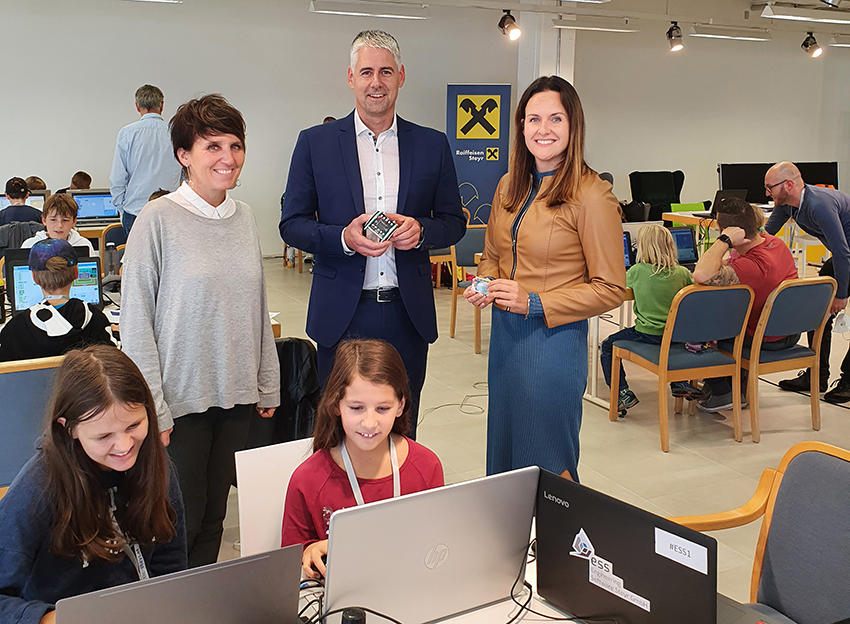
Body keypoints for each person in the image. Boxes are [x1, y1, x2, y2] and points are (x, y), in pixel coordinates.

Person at [280, 30, 466, 439]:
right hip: (342, 314)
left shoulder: (432, 145)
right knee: (340, 430)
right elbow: (291, 223)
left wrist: (421, 231)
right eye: (366, 72)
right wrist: (343, 238)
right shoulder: (316, 144)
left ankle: (397, 503)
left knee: (401, 429)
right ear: (350, 77)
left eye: (385, 71)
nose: (376, 82)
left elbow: (454, 221)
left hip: (407, 314)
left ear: (401, 76)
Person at [121, 93, 280, 568]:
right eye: (212, 146)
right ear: (184, 155)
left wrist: (267, 380)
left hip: (236, 398)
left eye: (235, 145)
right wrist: (155, 406)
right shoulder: (157, 219)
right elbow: (136, 323)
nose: (227, 158)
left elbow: (258, 303)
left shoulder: (245, 216)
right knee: (174, 525)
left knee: (215, 517)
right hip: (180, 405)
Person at [465, 76, 626, 481]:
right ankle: (512, 542)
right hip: (505, 340)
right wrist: (484, 285)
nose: (544, 129)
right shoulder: (509, 186)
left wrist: (534, 302)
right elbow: (493, 255)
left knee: (547, 464)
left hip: (552, 345)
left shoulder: (592, 195)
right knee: (504, 459)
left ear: (574, 125)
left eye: (556, 118)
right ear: (520, 126)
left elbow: (611, 289)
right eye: (533, 119)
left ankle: (555, 543)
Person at [0, 345, 187, 624]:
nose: (124, 446)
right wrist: (47, 618)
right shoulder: (37, 488)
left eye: (133, 425)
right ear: (69, 429)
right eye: (103, 436)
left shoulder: (154, 465)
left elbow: (170, 561)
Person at [281, 339, 444, 579]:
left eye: (382, 408)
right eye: (356, 408)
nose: (369, 423)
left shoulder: (427, 466)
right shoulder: (307, 479)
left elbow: (437, 544)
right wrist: (311, 552)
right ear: (336, 405)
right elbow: (290, 566)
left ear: (400, 406)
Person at [693, 197, 799, 412]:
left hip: (764, 337)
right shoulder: (775, 244)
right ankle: (734, 387)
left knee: (695, 326)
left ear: (730, 233)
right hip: (788, 330)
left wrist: (723, 241)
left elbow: (701, 274)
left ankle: (722, 392)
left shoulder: (750, 266)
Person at [764, 162, 850, 403]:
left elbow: (843, 253)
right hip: (843, 255)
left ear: (788, 184)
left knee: (831, 304)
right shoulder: (787, 206)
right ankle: (817, 376)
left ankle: (849, 381)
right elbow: (765, 236)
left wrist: (841, 294)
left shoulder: (818, 204)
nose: (767, 194)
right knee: (817, 311)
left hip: (845, 254)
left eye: (770, 188)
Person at [600, 224, 697, 415]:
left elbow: (621, 287)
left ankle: (622, 393)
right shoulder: (683, 273)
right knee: (669, 345)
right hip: (677, 336)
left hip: (647, 334)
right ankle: (679, 382)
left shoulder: (637, 271)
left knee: (607, 346)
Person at [0, 239, 116, 362]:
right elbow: (112, 363)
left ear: (34, 278)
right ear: (76, 273)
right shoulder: (96, 319)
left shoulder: (15, 328)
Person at [110, 84, 181, 236]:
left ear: (137, 106)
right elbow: (185, 174)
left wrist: (123, 208)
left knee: (137, 259)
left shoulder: (127, 133)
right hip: (170, 209)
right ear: (161, 105)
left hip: (135, 210)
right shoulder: (176, 133)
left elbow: (117, 177)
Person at [21, 193, 94, 256]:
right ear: (44, 220)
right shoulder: (30, 245)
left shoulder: (83, 244)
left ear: (74, 222)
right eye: (53, 220)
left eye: (65, 220)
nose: (59, 225)